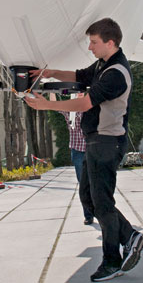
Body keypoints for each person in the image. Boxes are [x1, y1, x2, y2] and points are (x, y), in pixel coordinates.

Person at [24, 18, 143, 282]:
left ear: (110, 43)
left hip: (107, 141)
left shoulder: (116, 73)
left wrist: (48, 106)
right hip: (96, 140)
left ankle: (112, 260)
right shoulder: (104, 64)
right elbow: (80, 76)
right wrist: (50, 73)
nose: (90, 47)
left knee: (102, 202)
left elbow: (85, 104)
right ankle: (131, 236)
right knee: (89, 198)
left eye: (94, 42)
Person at [51, 92, 93, 225]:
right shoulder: (70, 111)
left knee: (97, 182)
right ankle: (88, 215)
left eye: (81, 91)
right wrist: (51, 89)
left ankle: (103, 212)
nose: (79, 93)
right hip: (77, 151)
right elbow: (54, 105)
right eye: (76, 92)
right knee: (83, 184)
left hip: (92, 149)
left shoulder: (90, 107)